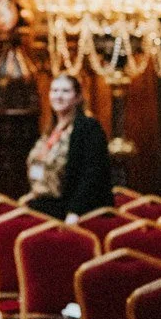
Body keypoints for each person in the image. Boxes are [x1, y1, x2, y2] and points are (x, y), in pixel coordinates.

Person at [24, 74, 113, 223]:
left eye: (65, 91)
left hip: (73, 210)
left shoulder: (88, 128)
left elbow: (93, 174)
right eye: (54, 91)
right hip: (45, 203)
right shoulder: (50, 129)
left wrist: (75, 211)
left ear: (77, 97)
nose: (58, 96)